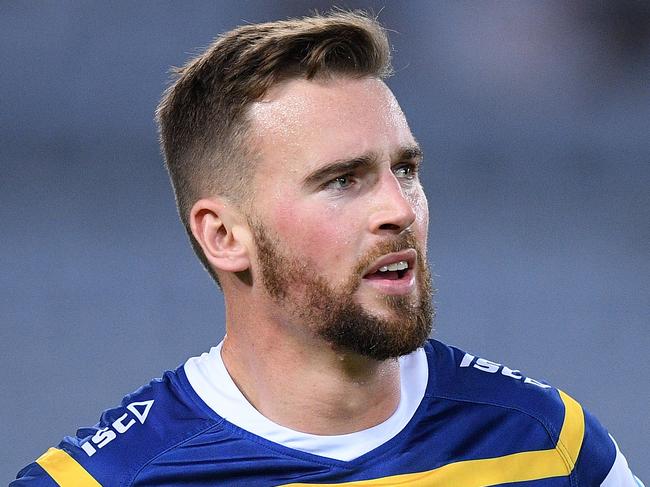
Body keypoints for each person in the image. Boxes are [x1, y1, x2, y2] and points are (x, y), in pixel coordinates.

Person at [12, 11, 643, 487]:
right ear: (225, 237)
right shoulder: (107, 477)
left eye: (405, 170)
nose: (398, 210)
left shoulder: (546, 442)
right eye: (343, 181)